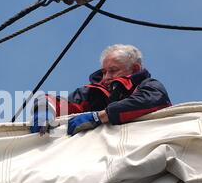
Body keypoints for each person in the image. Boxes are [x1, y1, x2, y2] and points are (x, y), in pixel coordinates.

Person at [30, 44, 172, 135]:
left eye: (113, 70)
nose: (106, 77)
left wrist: (100, 116)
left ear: (134, 69)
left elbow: (153, 101)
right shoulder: (93, 93)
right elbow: (59, 102)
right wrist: (43, 111)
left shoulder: (148, 86)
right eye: (104, 72)